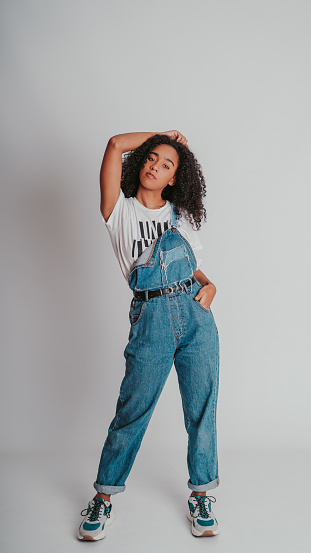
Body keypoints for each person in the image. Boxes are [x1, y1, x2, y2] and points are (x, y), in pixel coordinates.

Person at [77, 130, 220, 541]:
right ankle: (103, 499)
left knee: (201, 409)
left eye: (167, 163)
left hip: (195, 315)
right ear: (141, 161)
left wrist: (210, 287)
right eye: (152, 157)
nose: (155, 165)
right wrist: (166, 133)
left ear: (175, 178)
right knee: (132, 411)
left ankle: (201, 495)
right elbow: (113, 145)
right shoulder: (117, 210)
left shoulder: (180, 216)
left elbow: (193, 268)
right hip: (151, 315)